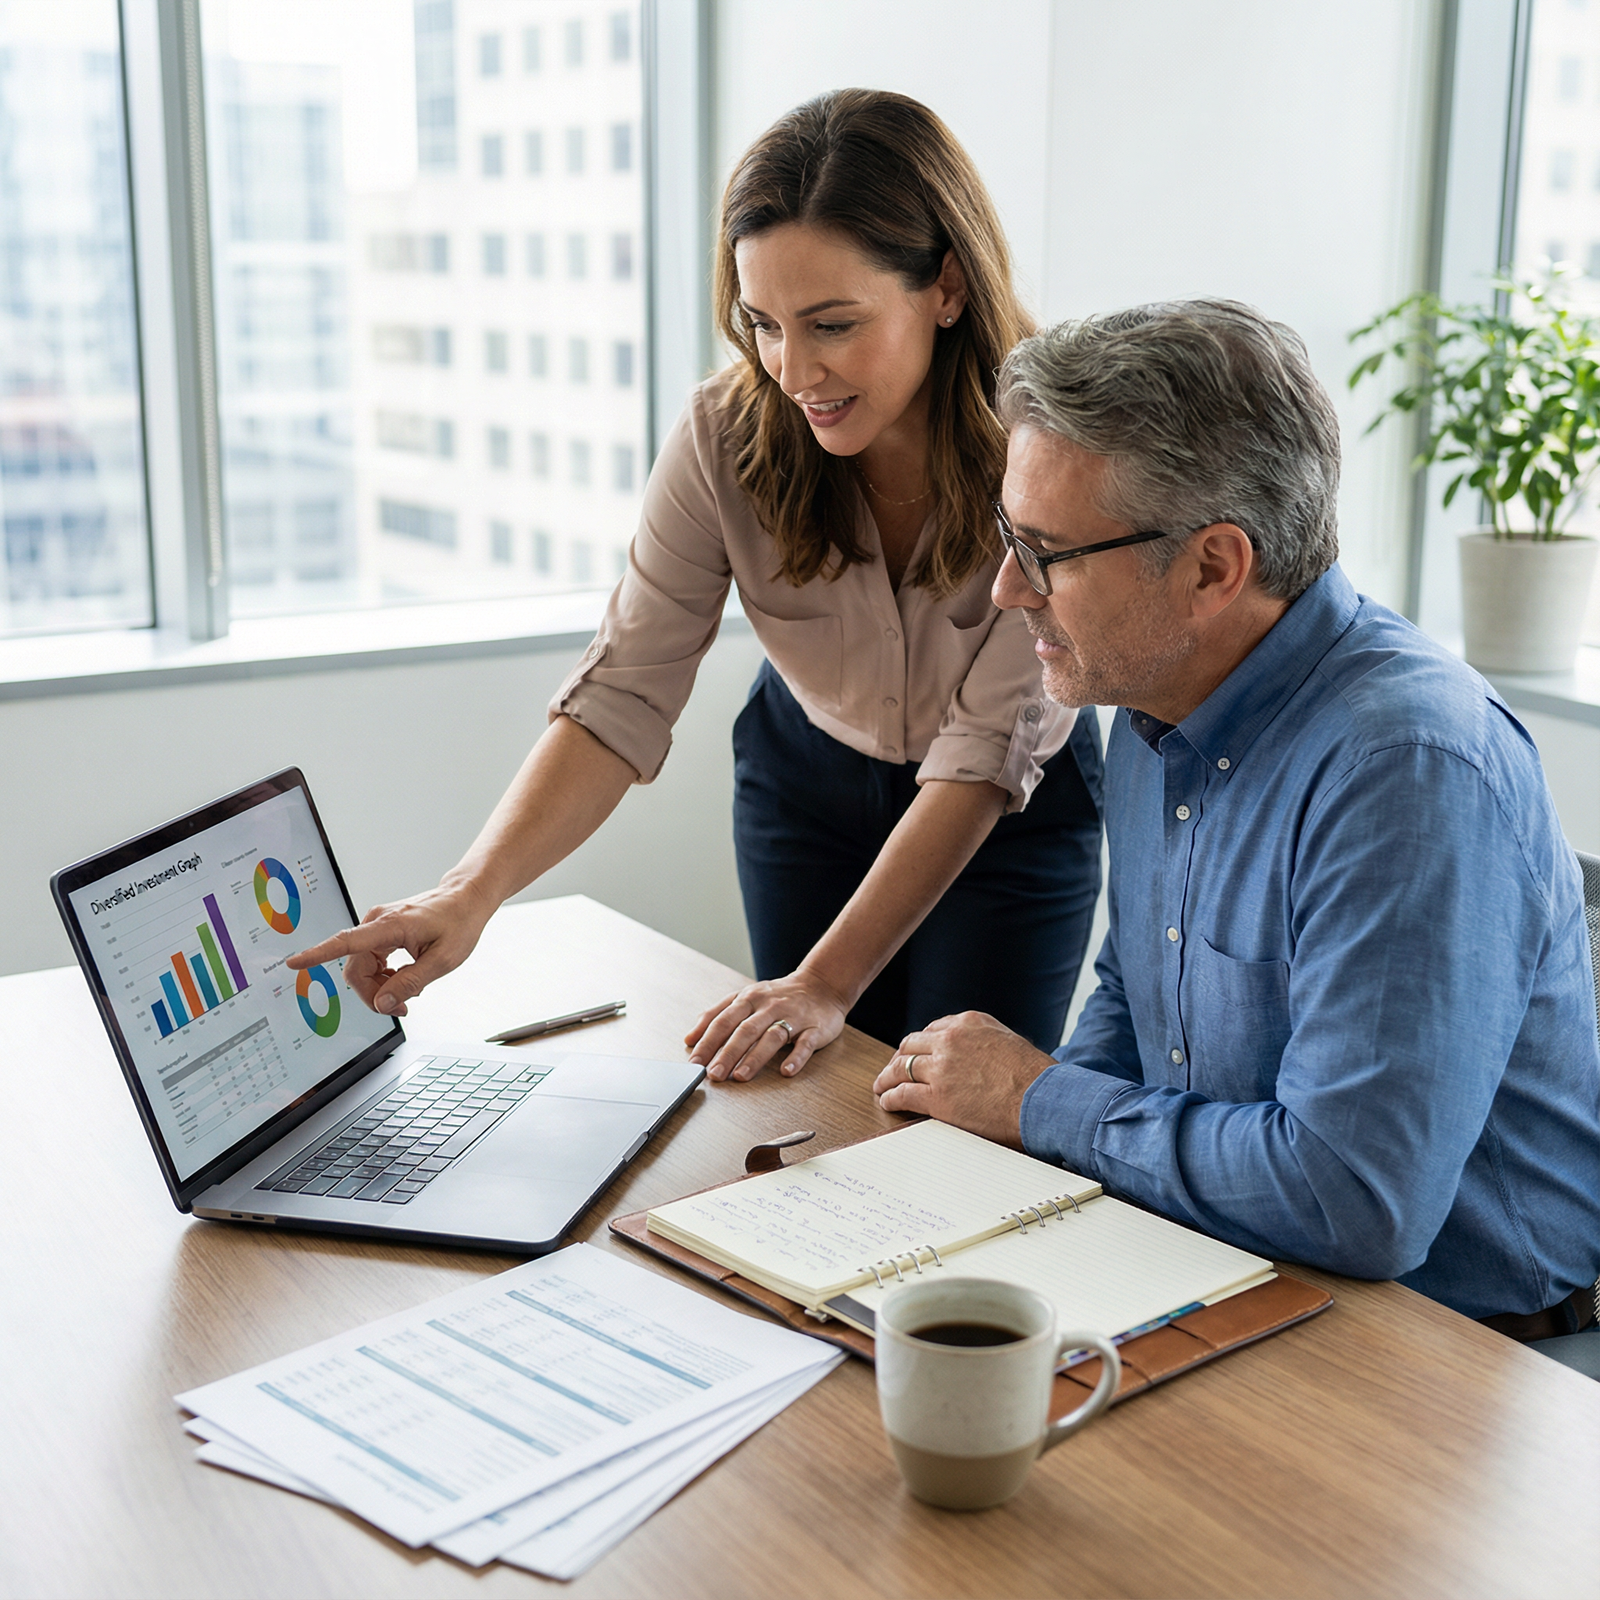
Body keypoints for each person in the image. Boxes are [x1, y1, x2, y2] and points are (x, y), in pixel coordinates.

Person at [289, 90, 1104, 1083]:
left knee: (960, 1113)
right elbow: (623, 692)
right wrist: (469, 894)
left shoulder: (1050, 451)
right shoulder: (726, 437)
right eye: (762, 322)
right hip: (806, 779)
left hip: (1003, 811)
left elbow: (979, 760)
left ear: (945, 285)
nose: (792, 368)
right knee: (817, 1088)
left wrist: (824, 982)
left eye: (832, 324)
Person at [874, 299, 1600, 1332]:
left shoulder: (1406, 768)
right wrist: (1031, 1152)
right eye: (1006, 537)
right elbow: (1138, 998)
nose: (1004, 589)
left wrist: (1036, 1101)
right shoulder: (1148, 698)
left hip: (1465, 1351)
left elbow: (1353, 1201)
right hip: (1239, 1277)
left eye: (1043, 552)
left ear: (1214, 566)